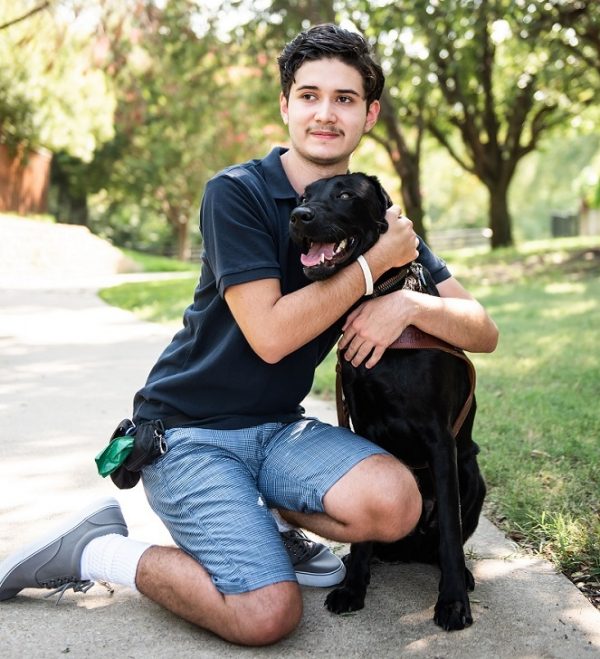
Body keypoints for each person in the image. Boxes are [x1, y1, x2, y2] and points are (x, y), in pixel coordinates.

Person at [0, 24, 498, 646]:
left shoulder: (369, 209)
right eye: (309, 95)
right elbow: (268, 335)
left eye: (344, 99)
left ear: (369, 114)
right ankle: (94, 549)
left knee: (397, 506)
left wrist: (409, 305)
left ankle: (266, 528)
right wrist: (373, 271)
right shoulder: (236, 193)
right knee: (266, 616)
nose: (325, 113)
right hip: (189, 433)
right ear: (286, 104)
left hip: (278, 429)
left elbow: (483, 329)